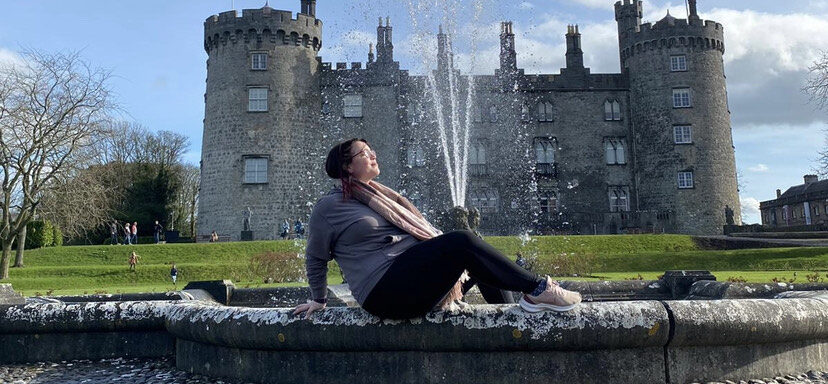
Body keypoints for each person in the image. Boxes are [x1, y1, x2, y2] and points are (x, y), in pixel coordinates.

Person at [293, 138, 581, 320]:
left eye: (371, 149)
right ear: (347, 166)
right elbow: (315, 257)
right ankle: (537, 289)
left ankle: (509, 320)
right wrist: (318, 300)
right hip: (384, 291)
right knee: (463, 242)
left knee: (475, 251)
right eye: (364, 152)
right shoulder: (329, 207)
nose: (373, 154)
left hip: (412, 279)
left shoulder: (381, 196)